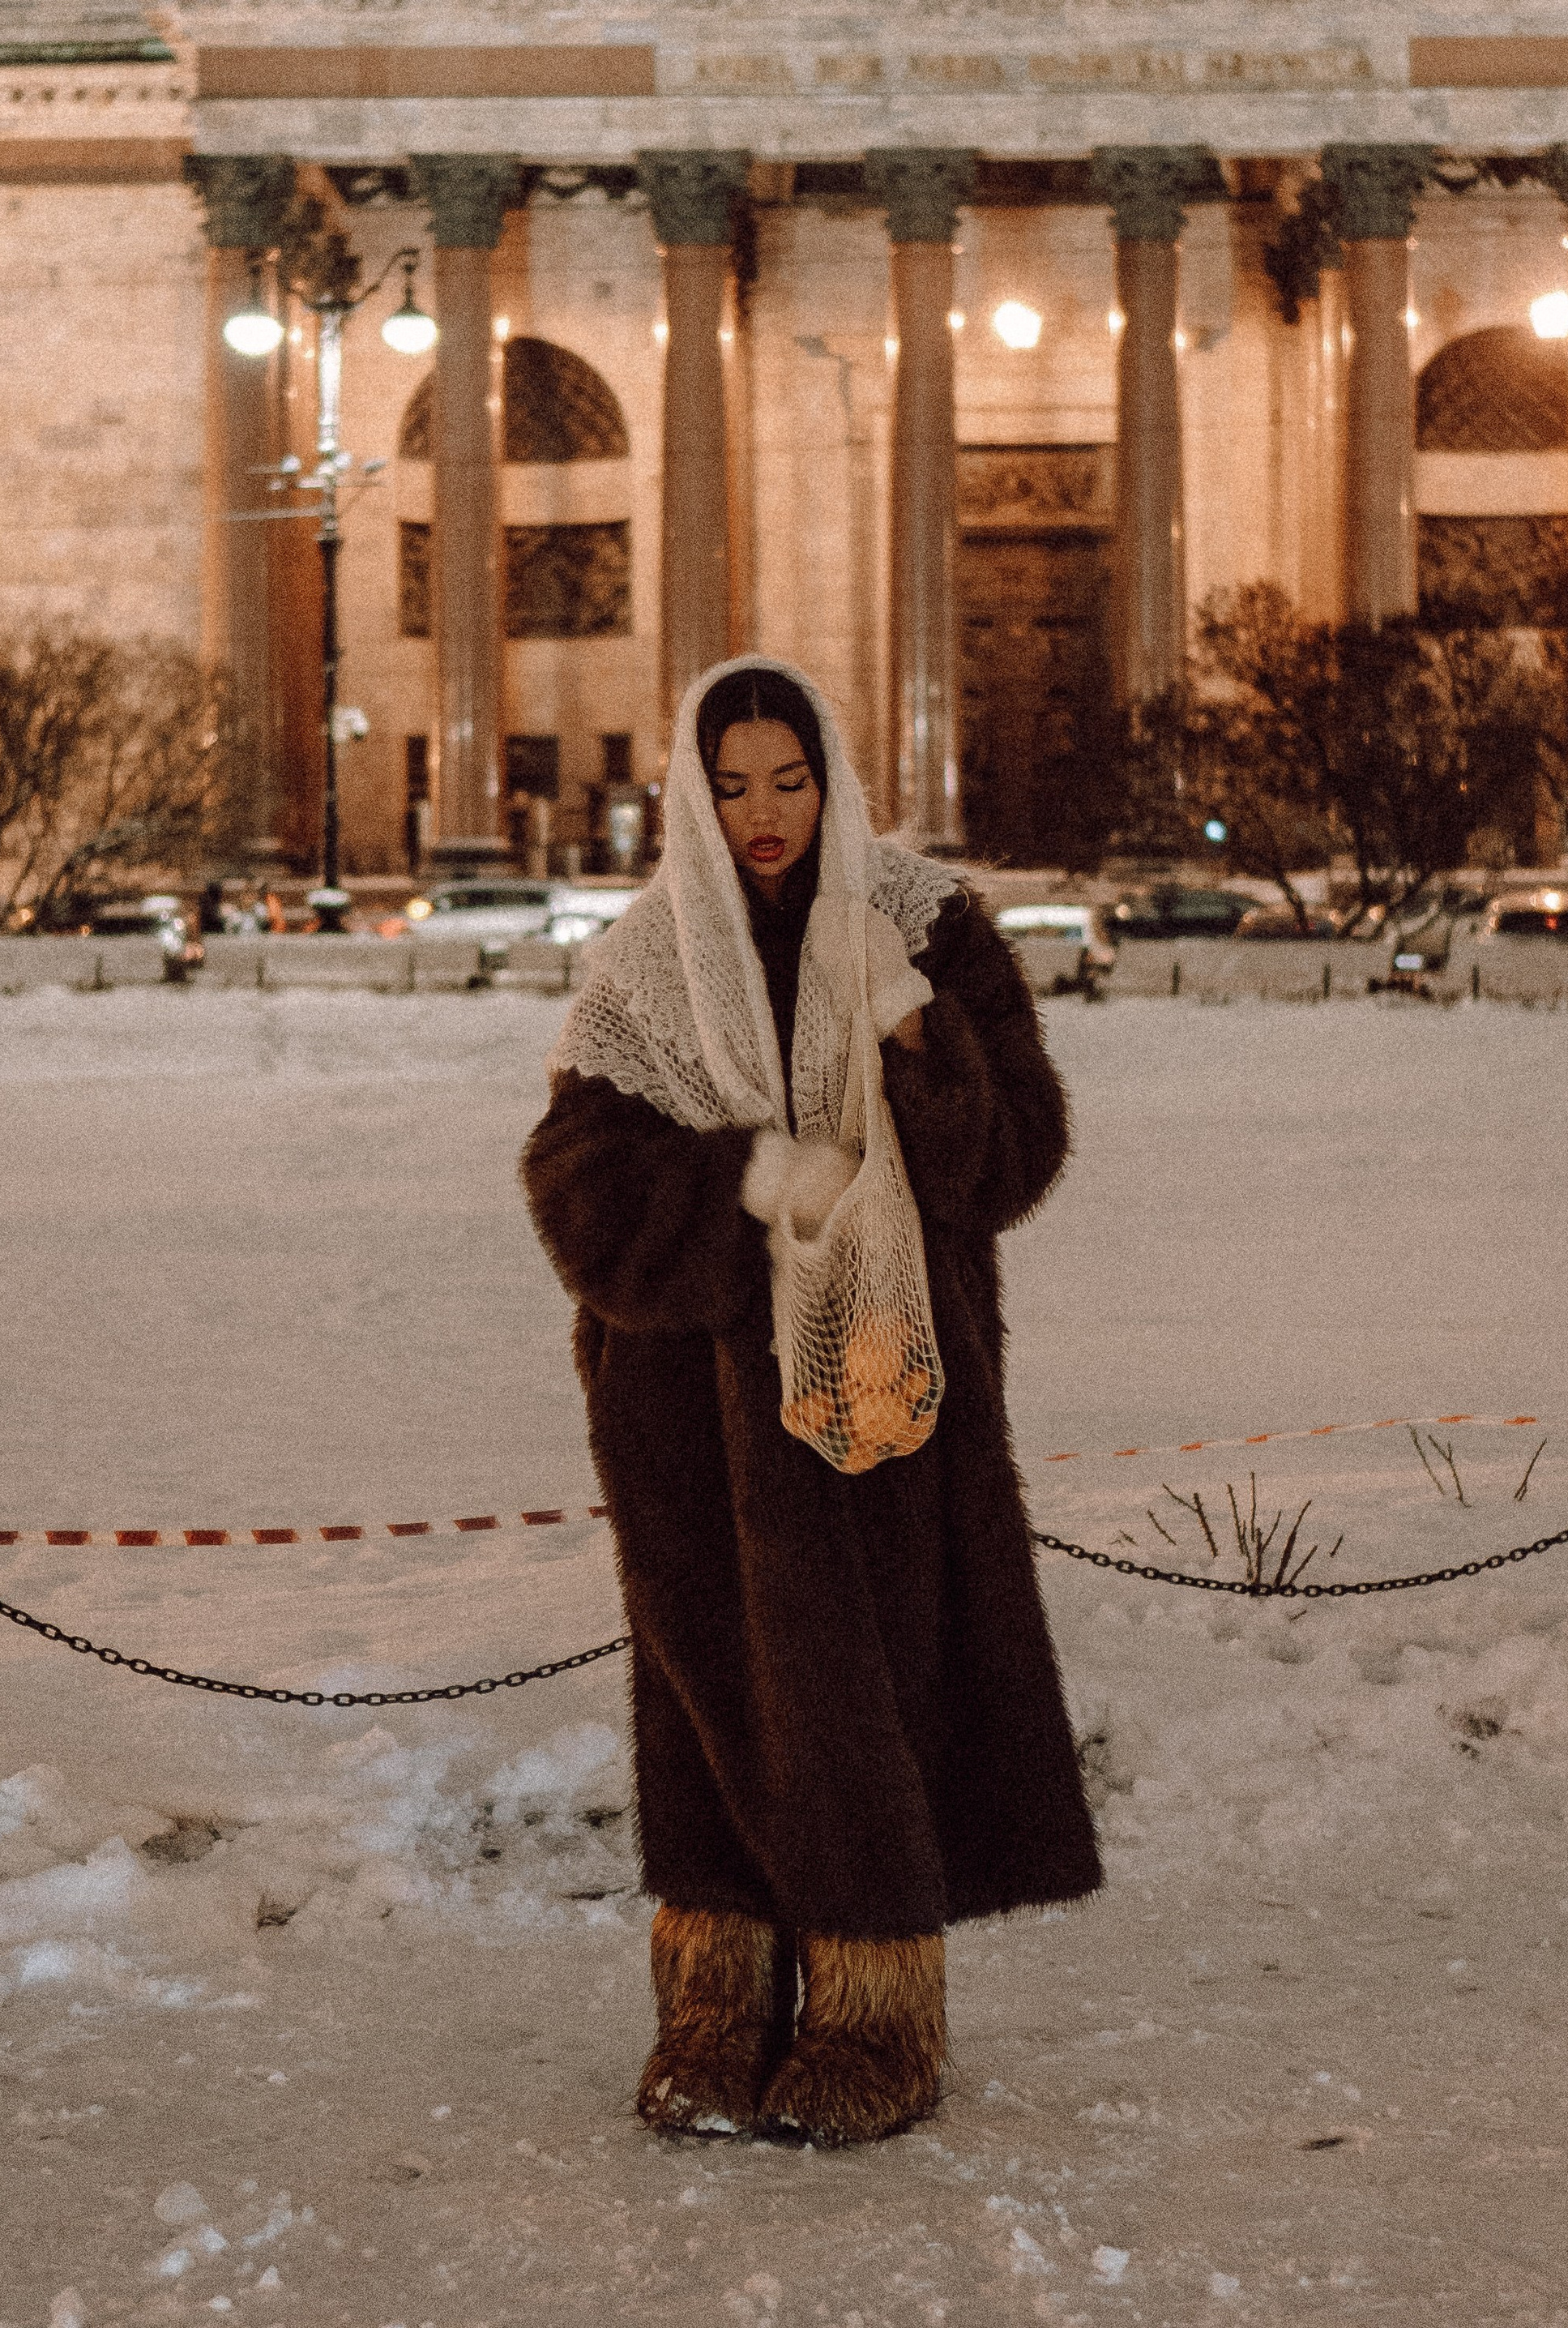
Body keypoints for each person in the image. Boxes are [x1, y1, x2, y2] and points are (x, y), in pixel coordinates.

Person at [521, 657, 1100, 2149]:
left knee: (866, 1700)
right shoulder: (648, 962)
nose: (764, 813)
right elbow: (578, 1190)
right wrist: (750, 1183)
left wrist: (920, 1046)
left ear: (833, 778)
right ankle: (715, 2010)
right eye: (732, 786)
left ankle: (873, 2016)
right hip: (693, 1402)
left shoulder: (924, 926)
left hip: (891, 1387)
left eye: (791, 779)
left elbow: (1020, 1153)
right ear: (692, 797)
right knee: (711, 1699)